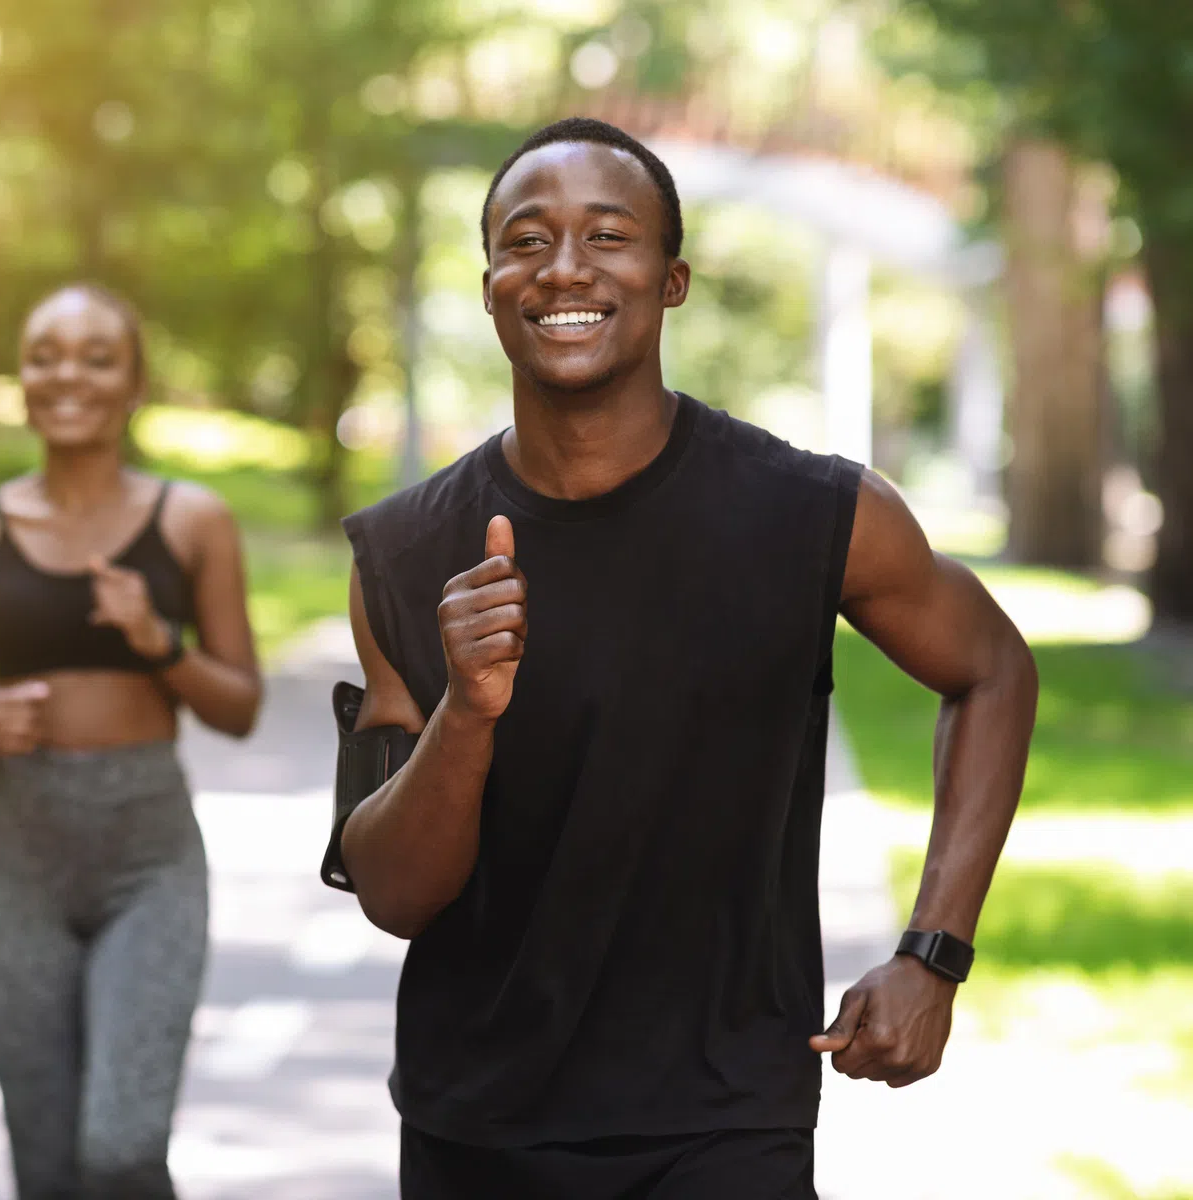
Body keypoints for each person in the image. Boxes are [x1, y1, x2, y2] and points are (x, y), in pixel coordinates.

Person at [324, 118, 1039, 1198]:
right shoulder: (408, 549)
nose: (564, 267)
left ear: (672, 280)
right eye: (527, 239)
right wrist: (466, 712)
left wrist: (934, 952)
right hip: (477, 1125)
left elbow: (992, 670)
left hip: (725, 1122)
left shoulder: (816, 513)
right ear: (487, 287)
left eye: (608, 237)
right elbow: (395, 895)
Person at [0, 283, 263, 1200]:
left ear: (135, 384)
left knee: (120, 1148)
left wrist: (161, 648)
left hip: (148, 859)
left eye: (97, 357)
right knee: (48, 1167)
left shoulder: (193, 522)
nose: (68, 373)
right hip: (18, 861)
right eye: (44, 355)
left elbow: (239, 706)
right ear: (21, 379)